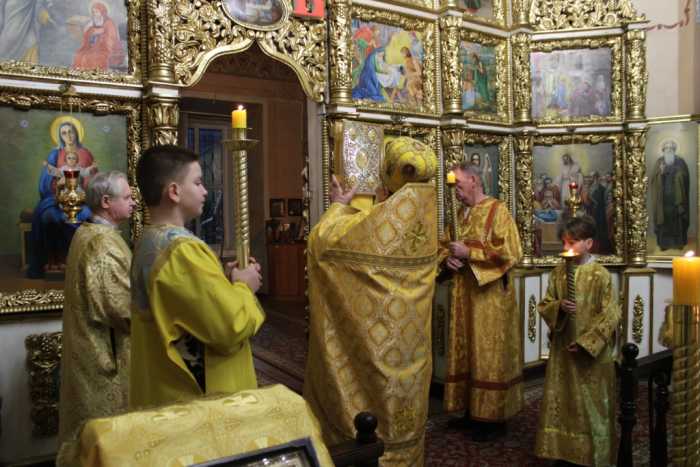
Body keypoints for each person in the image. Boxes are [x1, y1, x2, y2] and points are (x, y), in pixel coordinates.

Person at [305, 137, 438, 466]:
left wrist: (339, 205)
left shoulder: (376, 223)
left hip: (374, 350)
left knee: (371, 410)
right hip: (411, 350)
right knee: (406, 403)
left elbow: (323, 244)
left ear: (387, 175)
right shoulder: (427, 218)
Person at [129, 145, 265, 409]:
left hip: (159, 386)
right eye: (198, 182)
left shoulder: (149, 240)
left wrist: (225, 281)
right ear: (174, 191)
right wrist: (243, 286)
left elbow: (189, 308)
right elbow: (229, 326)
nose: (205, 191)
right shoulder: (182, 251)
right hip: (198, 397)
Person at [443, 161, 523, 442]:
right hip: (463, 295)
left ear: (474, 180)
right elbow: (446, 245)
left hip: (489, 299)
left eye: (458, 185)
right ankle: (469, 410)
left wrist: (469, 253)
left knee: (488, 353)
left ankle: (492, 418)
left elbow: (511, 251)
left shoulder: (497, 210)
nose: (456, 192)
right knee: (467, 350)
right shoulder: (460, 215)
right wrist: (448, 259)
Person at [535, 216, 621, 466]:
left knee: (590, 406)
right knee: (564, 402)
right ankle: (564, 452)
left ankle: (593, 456)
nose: (566, 247)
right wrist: (559, 307)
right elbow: (545, 304)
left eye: (572, 242)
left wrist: (586, 343)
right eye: (564, 242)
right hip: (563, 350)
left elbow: (611, 314)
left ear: (589, 243)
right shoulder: (559, 273)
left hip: (590, 356)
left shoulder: (600, 275)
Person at [58, 171, 135, 445]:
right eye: (127, 197)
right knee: (109, 444)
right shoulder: (102, 243)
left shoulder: (87, 232)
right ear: (106, 201)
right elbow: (120, 309)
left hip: (87, 350)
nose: (133, 202)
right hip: (103, 357)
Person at [28, 119, 95, 277]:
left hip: (81, 198)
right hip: (56, 198)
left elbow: (92, 179)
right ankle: (54, 260)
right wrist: (58, 187)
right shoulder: (55, 153)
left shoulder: (85, 153)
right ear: (60, 136)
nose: (68, 136)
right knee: (49, 217)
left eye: (71, 132)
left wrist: (85, 188)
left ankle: (79, 261)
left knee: (86, 215)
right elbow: (47, 179)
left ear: (76, 133)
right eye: (64, 133)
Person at [650, 139, 690, 250]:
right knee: (664, 221)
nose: (669, 150)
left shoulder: (680, 161)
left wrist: (679, 175)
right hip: (663, 199)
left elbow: (685, 176)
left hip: (676, 199)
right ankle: (664, 245)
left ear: (674, 149)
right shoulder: (659, 162)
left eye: (671, 148)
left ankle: (678, 244)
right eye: (667, 148)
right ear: (663, 149)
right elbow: (653, 179)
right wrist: (661, 173)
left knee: (677, 221)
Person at [73, 2, 125, 70]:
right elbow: (88, 32)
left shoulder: (109, 23)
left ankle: (93, 73)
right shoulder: (93, 21)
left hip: (107, 48)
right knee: (79, 55)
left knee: (92, 57)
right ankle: (81, 73)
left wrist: (101, 34)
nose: (95, 14)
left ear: (102, 12)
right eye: (93, 12)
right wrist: (92, 31)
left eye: (97, 12)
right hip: (93, 47)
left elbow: (111, 38)